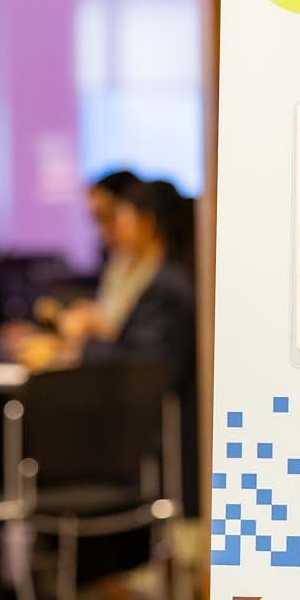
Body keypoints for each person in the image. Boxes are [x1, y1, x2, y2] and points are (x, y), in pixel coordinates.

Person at [59, 179, 200, 514]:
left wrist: (84, 344)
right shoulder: (142, 273)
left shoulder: (167, 284)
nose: (113, 230)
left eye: (121, 217)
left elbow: (146, 368)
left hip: (161, 440)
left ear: (147, 222)